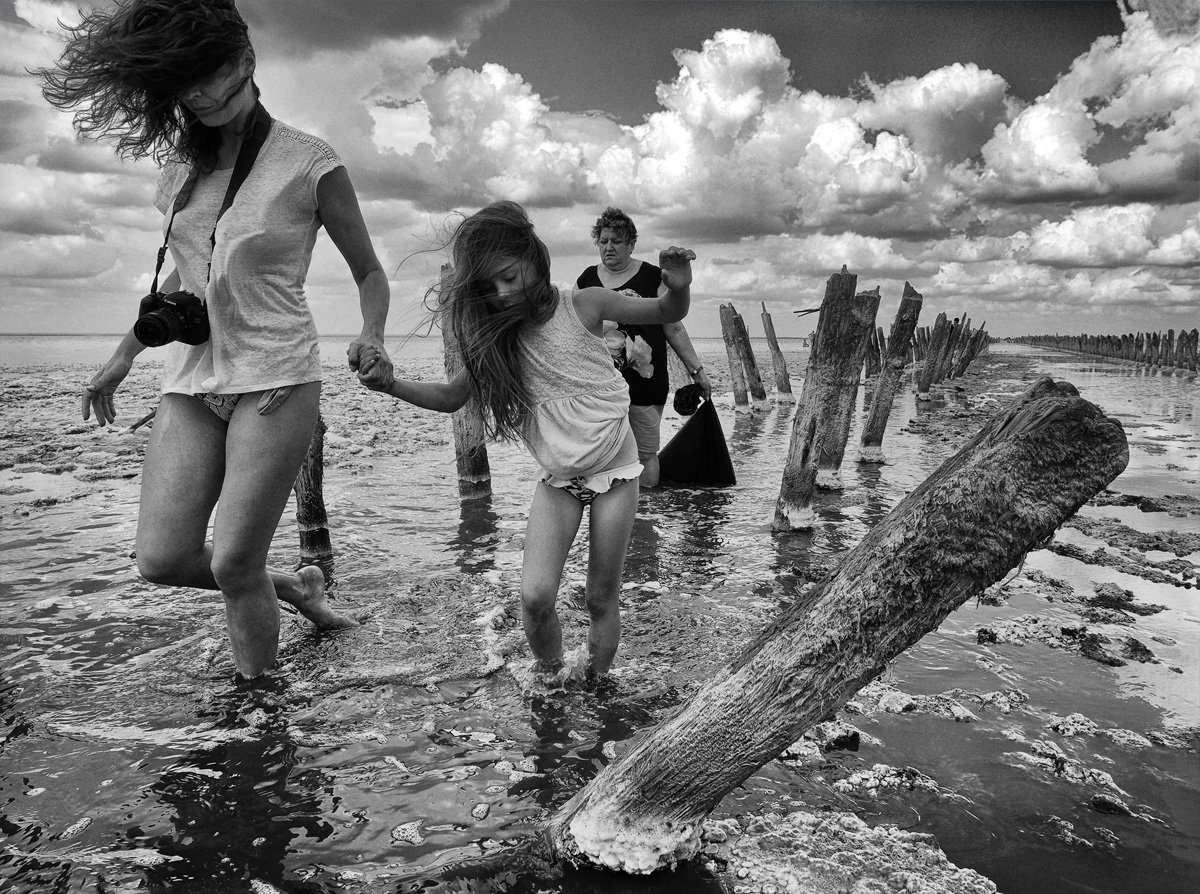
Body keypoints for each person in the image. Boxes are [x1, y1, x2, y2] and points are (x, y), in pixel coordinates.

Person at [37, 0, 392, 680]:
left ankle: (258, 706)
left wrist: (373, 334)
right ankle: (296, 588)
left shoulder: (309, 162)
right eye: (186, 82)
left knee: (233, 562)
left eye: (210, 74)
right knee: (161, 557)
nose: (199, 93)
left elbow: (370, 272)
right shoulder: (180, 169)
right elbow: (189, 271)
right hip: (194, 377)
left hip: (277, 375)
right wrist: (122, 355)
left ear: (246, 60)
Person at [356, 202, 694, 682]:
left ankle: (596, 686)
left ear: (535, 260)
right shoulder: (500, 338)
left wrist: (678, 285)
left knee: (600, 598)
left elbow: (665, 311)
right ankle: (552, 683)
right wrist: (391, 384)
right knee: (534, 598)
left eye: (510, 277)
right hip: (559, 479)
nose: (503, 293)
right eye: (489, 287)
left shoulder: (585, 304)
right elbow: (452, 397)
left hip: (616, 473)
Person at [576, 207, 712, 488]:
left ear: (631, 244)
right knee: (601, 456)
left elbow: (674, 326)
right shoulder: (586, 280)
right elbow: (574, 332)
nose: (608, 247)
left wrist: (697, 371)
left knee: (646, 454)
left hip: (645, 385)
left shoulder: (652, 276)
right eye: (603, 241)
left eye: (616, 241)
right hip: (598, 388)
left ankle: (648, 511)